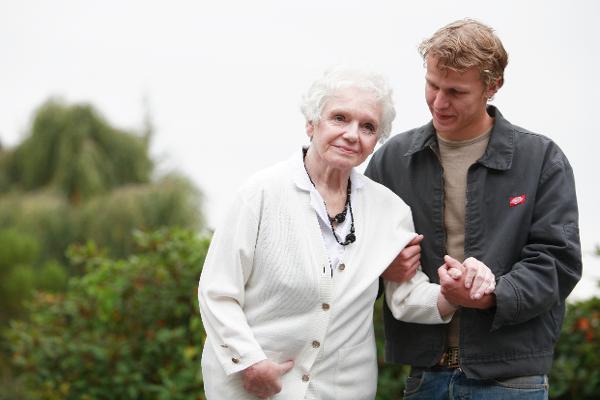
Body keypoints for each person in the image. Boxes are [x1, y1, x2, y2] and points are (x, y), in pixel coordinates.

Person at [197, 67, 495, 400]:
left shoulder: (389, 210)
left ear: (375, 142)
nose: (352, 134)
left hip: (344, 389)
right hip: (255, 385)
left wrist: (453, 293)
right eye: (339, 118)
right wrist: (248, 363)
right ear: (312, 124)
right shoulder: (260, 194)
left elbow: (407, 298)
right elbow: (218, 292)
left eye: (368, 126)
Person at [365, 18, 582, 399]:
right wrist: (381, 264)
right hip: (424, 377)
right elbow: (352, 253)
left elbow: (558, 261)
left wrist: (493, 294)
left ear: (492, 86)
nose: (439, 101)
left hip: (512, 382)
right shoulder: (392, 161)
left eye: (455, 91)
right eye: (432, 85)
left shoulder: (541, 159)